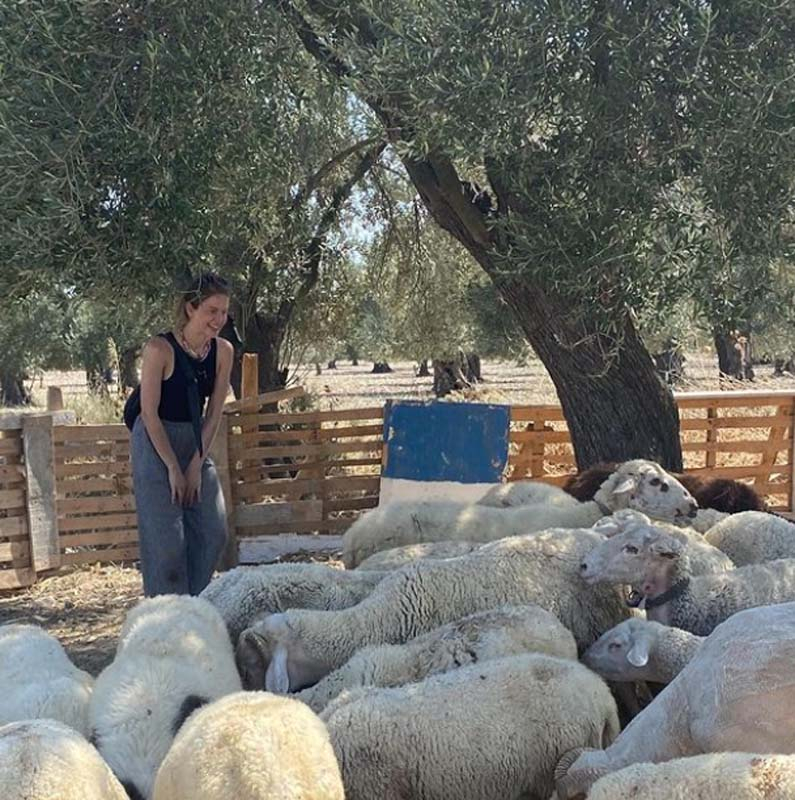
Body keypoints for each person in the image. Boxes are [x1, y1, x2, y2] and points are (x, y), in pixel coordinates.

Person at [131, 272, 234, 596]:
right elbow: (149, 413)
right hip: (154, 440)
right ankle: (165, 615)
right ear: (191, 308)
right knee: (166, 543)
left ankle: (195, 604)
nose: (219, 319)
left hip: (195, 440)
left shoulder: (223, 351)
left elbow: (214, 411)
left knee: (212, 529)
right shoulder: (159, 348)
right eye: (211, 311)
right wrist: (174, 468)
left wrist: (194, 464)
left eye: (223, 312)